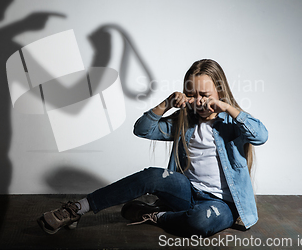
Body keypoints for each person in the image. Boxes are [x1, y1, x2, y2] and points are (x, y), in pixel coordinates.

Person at [38, 59, 268, 237]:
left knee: (200, 222)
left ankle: (154, 215)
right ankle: (77, 209)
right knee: (152, 175)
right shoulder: (183, 121)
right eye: (192, 94)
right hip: (186, 192)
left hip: (220, 204)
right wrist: (167, 104)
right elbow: (143, 129)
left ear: (219, 91)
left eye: (205, 95)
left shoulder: (233, 124)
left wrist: (226, 107)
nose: (199, 101)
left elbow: (260, 136)